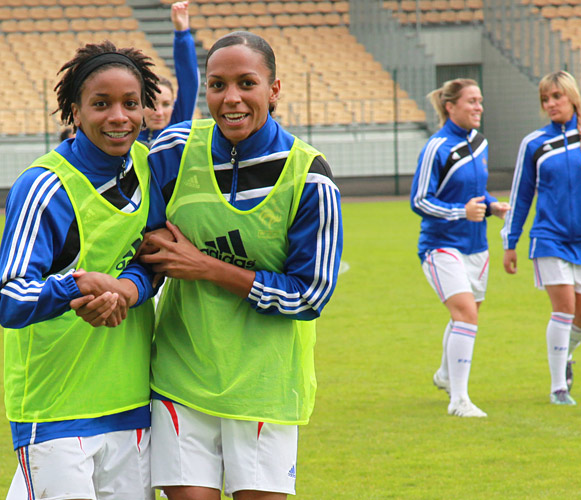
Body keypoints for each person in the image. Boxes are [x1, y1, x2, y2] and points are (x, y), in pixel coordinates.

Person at [140, 31, 343, 499]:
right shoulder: (173, 151)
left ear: (273, 90)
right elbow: (144, 242)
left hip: (264, 385)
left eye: (246, 83)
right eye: (217, 85)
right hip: (180, 374)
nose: (230, 98)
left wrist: (206, 266)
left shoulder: (308, 176)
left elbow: (310, 295)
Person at [0, 40, 160, 499]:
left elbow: (152, 261)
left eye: (131, 104)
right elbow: (10, 298)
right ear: (74, 110)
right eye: (101, 104)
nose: (119, 116)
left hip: (130, 403)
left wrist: (126, 291)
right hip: (54, 408)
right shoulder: (44, 186)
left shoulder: (149, 171)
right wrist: (77, 286)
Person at [501, 70, 581, 405]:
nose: (550, 104)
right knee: (565, 310)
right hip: (549, 238)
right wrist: (510, 242)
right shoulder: (534, 144)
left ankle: (565, 353)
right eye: (545, 99)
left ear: (572, 97)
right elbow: (521, 195)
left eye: (556, 96)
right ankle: (558, 387)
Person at [410, 79, 510, 418]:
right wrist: (459, 213)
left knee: (467, 315)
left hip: (477, 246)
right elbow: (420, 200)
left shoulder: (480, 143)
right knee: (466, 313)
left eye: (480, 101)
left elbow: (476, 193)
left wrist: (494, 206)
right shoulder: (436, 147)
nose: (479, 107)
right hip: (441, 246)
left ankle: (444, 375)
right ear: (450, 106)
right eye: (472, 101)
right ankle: (459, 400)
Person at [137, 0, 200, 147]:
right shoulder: (127, 136)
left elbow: (189, 81)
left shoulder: (177, 127)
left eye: (166, 104)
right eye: (151, 104)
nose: (159, 112)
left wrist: (182, 33)